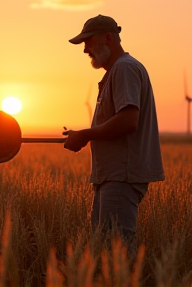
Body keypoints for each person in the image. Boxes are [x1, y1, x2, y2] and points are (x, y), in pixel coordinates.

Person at [63, 15, 165, 250]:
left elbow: (128, 121)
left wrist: (86, 135)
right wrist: (81, 135)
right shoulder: (116, 72)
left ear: (108, 38)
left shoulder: (125, 69)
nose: (85, 50)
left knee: (116, 255)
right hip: (112, 178)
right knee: (104, 254)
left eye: (88, 42)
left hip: (121, 177)